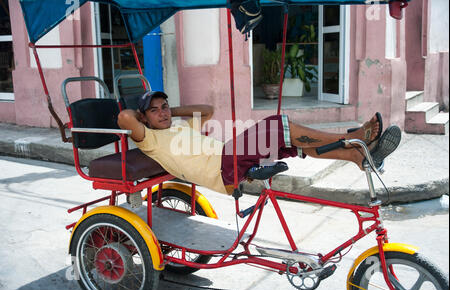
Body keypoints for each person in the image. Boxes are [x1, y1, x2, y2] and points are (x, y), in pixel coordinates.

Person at [118, 91, 400, 195]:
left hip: (229, 157)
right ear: (144, 117)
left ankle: (357, 157)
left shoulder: (179, 123)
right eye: (155, 110)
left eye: (164, 107)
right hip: (221, 168)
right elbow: (124, 116)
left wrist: (170, 110)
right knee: (276, 125)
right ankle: (351, 138)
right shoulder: (149, 139)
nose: (164, 112)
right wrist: (144, 117)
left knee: (296, 143)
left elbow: (206, 110)